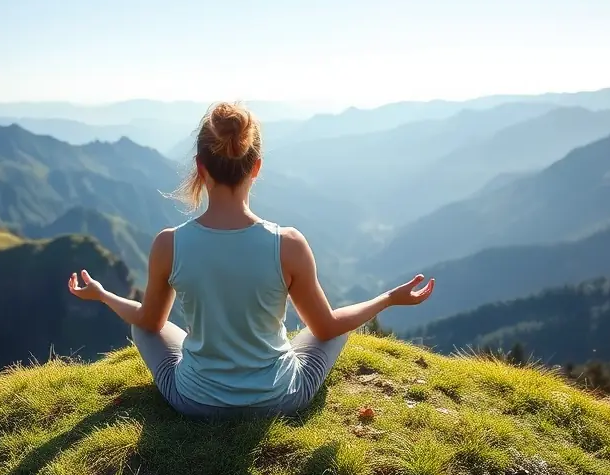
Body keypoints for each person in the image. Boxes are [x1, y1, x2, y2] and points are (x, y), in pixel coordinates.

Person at [67, 101, 435, 417]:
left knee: (143, 325)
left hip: (195, 401)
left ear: (200, 166)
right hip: (281, 399)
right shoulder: (288, 244)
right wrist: (387, 299)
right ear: (256, 167)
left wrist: (102, 294)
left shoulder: (170, 244)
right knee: (336, 326)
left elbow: (149, 320)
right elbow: (325, 329)